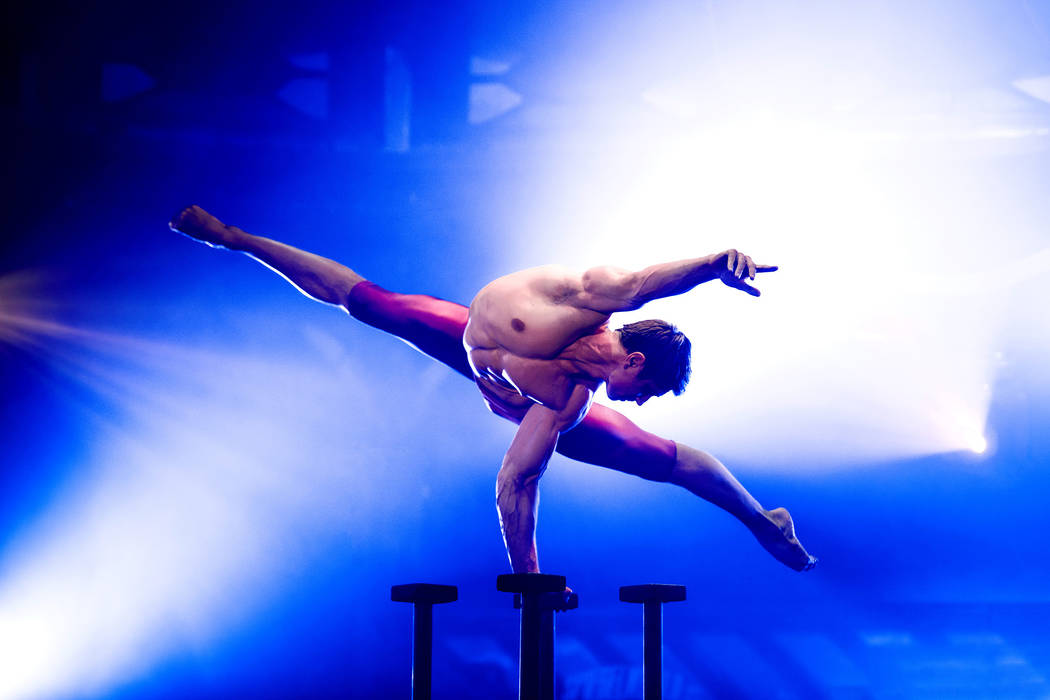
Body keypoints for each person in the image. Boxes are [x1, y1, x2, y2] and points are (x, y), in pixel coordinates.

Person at [170, 205, 816, 579]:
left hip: (500, 368)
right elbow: (648, 281)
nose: (640, 401)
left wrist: (527, 578)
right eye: (646, 389)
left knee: (654, 457)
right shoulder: (589, 296)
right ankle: (234, 238)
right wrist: (712, 264)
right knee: (364, 302)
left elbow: (516, 481)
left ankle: (762, 520)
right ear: (636, 359)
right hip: (475, 337)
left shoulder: (570, 398)